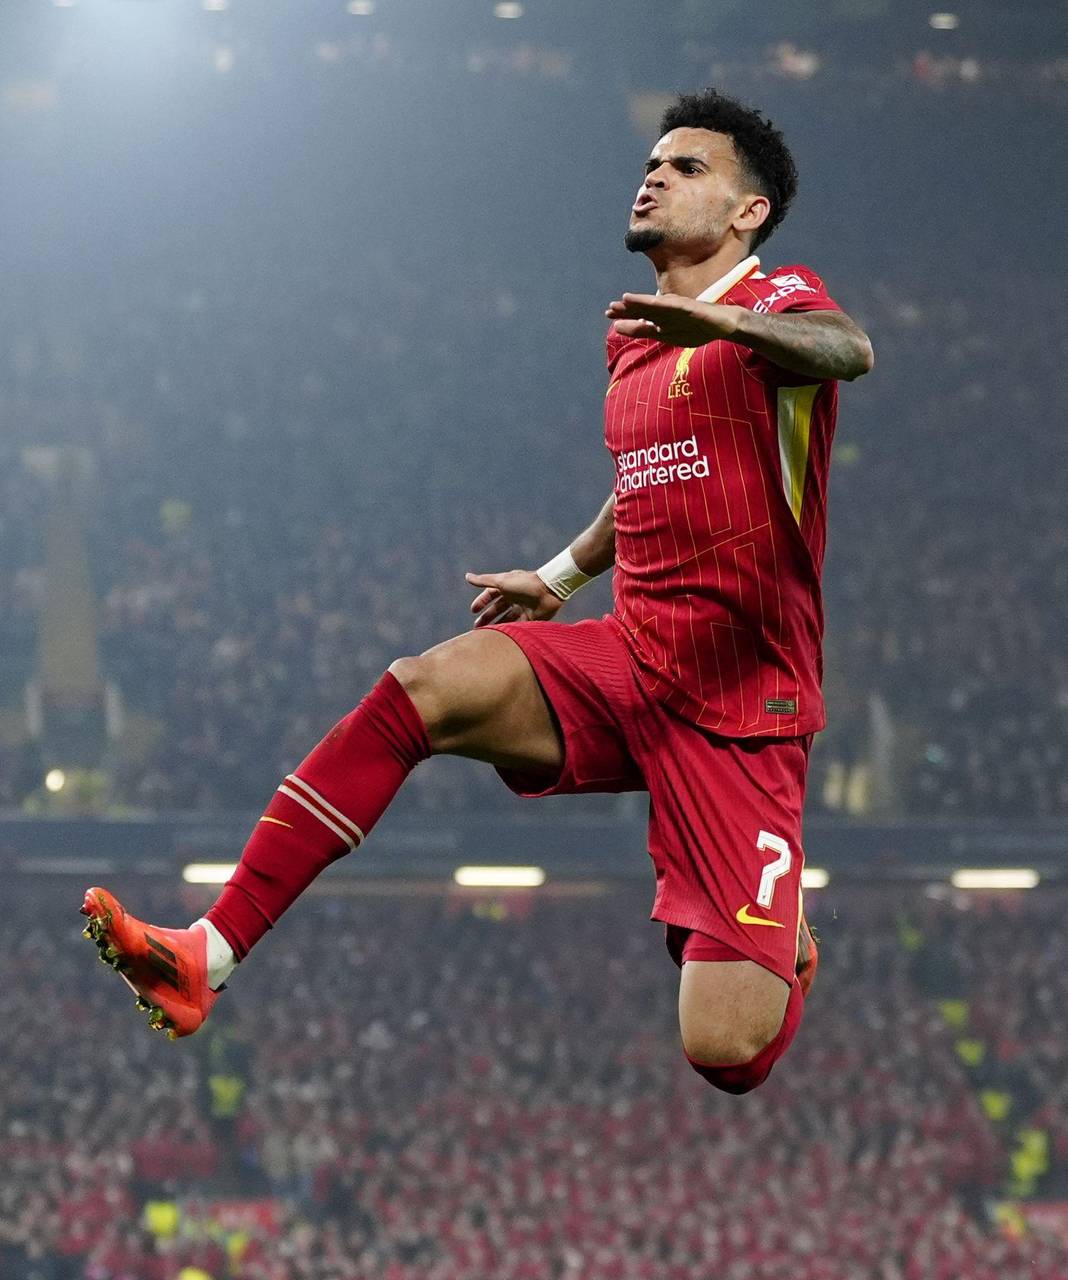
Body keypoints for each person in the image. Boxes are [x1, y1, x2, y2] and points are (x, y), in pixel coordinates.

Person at [82, 88, 873, 1095]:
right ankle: (209, 953)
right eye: (652, 163)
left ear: (747, 211)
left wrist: (720, 323)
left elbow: (850, 350)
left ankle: (785, 941)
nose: (654, 177)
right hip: (631, 659)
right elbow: (647, 478)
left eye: (687, 168)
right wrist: (558, 576)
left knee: (724, 1052)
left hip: (743, 706)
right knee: (422, 689)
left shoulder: (777, 298)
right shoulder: (634, 341)